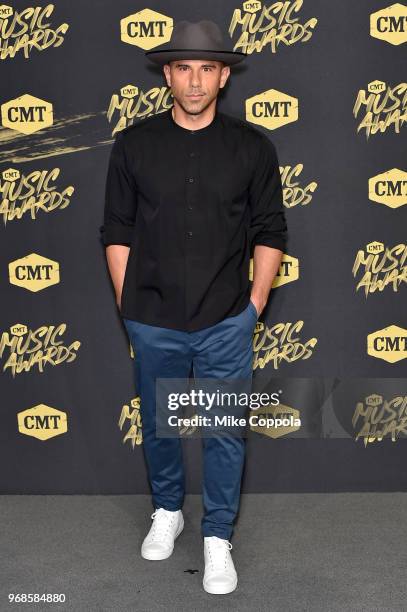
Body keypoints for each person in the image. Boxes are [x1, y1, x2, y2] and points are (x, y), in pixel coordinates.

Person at [99, 19, 288, 595]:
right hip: (152, 316)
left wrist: (254, 304)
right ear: (167, 75)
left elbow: (270, 229)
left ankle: (218, 537)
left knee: (224, 429)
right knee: (159, 425)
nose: (196, 80)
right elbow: (117, 230)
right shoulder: (134, 144)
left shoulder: (254, 147)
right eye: (184, 68)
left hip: (226, 316)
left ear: (224, 75)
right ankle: (167, 509)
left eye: (207, 68)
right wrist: (129, 307)